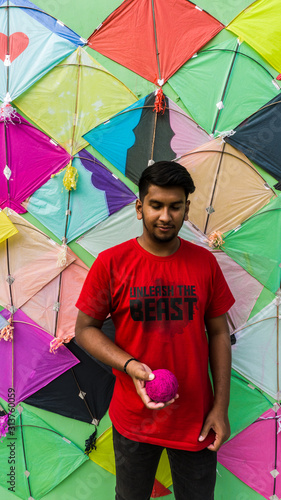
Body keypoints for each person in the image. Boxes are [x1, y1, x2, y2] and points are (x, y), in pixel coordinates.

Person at [75, 161, 235, 500]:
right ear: (139, 207)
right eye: (156, 205)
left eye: (175, 206)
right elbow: (85, 330)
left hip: (197, 420)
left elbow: (220, 334)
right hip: (133, 420)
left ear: (186, 209)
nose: (166, 216)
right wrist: (131, 366)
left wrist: (220, 408)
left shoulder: (205, 263)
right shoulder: (111, 263)